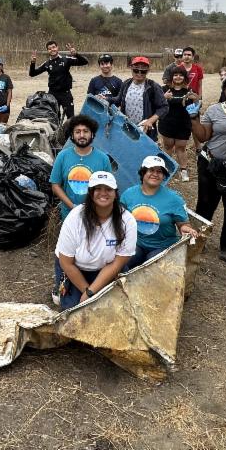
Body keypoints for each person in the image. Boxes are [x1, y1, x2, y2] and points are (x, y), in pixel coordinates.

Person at [48, 114, 113, 304]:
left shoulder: (101, 158)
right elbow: (55, 184)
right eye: (77, 132)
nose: (82, 135)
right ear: (72, 135)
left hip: (97, 215)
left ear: (92, 134)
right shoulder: (63, 156)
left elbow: (108, 187)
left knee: (91, 250)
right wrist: (73, 206)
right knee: (65, 253)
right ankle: (61, 283)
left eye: (85, 131)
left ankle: (91, 285)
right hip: (69, 214)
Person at [55, 171, 137, 310]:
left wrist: (91, 292)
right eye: (97, 189)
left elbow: (118, 263)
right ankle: (62, 288)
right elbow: (66, 262)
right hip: (75, 269)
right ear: (90, 192)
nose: (103, 193)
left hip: (107, 269)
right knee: (73, 311)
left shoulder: (127, 220)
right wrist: (87, 292)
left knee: (118, 309)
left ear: (115, 193)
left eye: (108, 189)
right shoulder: (75, 217)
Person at [190, 73, 226, 263]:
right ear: (223, 90)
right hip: (211, 164)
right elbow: (203, 136)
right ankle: (198, 241)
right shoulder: (215, 110)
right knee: (205, 204)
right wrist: (193, 117)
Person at [122, 155, 197, 270]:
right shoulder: (129, 194)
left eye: (160, 171)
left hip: (162, 246)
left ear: (163, 176)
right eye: (151, 170)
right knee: (121, 263)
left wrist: (185, 228)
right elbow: (120, 219)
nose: (155, 174)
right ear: (143, 172)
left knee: (151, 268)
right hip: (137, 243)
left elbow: (183, 224)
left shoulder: (174, 199)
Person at [108, 56, 167, 141]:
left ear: (148, 71)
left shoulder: (153, 86)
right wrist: (106, 99)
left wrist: (150, 121)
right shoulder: (126, 83)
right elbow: (118, 100)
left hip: (146, 131)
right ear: (131, 69)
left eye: (143, 71)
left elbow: (164, 107)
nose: (139, 73)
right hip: (127, 128)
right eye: (136, 70)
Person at [29, 40, 88, 121]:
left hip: (65, 94)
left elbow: (84, 62)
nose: (52, 50)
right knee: (54, 118)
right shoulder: (47, 64)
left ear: (57, 48)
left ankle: (69, 134)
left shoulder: (66, 59)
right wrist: (32, 62)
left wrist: (76, 54)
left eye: (53, 47)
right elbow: (32, 73)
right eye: (49, 49)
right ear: (47, 51)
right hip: (52, 94)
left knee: (71, 119)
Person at [159, 66, 194, 182]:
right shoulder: (164, 89)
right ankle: (166, 169)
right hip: (167, 122)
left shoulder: (189, 91)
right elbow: (157, 103)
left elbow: (192, 106)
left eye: (180, 75)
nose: (178, 77)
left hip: (183, 123)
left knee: (181, 147)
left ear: (184, 77)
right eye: (175, 75)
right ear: (171, 77)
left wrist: (192, 100)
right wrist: (164, 97)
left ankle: (183, 170)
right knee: (168, 146)